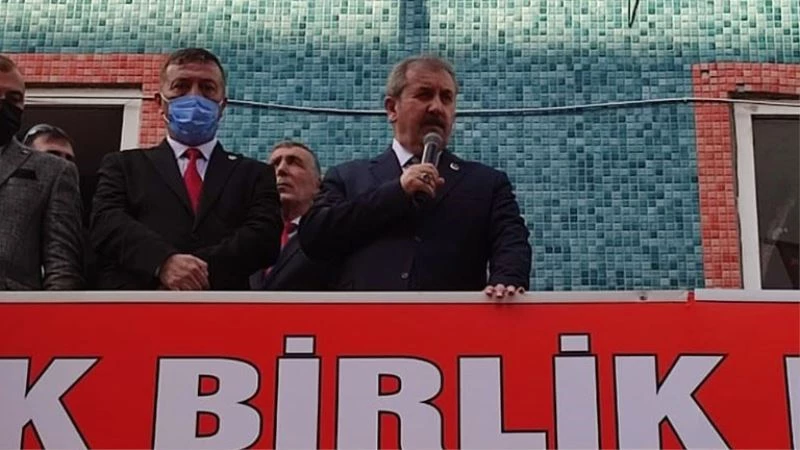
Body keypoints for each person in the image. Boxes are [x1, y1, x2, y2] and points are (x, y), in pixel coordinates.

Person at [299, 55, 532, 297]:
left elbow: (512, 243)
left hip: (450, 318)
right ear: (392, 108)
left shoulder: (486, 183)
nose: (436, 107)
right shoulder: (348, 177)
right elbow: (314, 238)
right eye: (424, 95)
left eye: (446, 98)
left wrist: (506, 282)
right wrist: (397, 191)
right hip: (367, 317)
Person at [91, 48, 282, 290]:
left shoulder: (254, 174)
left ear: (222, 105)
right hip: (141, 303)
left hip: (223, 305)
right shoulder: (123, 166)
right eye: (181, 86)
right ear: (160, 102)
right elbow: (106, 224)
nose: (194, 96)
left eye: (207, 88)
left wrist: (193, 272)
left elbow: (264, 238)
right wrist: (163, 262)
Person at [0, 55, 84, 289]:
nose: (3, 104)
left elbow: (62, 265)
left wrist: (53, 309)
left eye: (14, 98)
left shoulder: (54, 171)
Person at [250, 140, 335, 290]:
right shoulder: (249, 237)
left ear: (318, 185)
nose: (281, 170)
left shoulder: (330, 237)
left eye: (294, 163)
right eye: (274, 164)